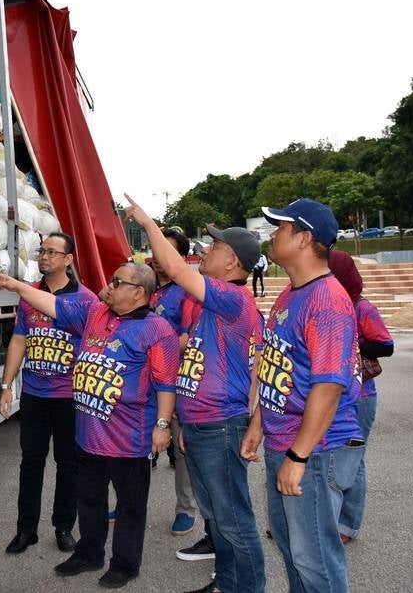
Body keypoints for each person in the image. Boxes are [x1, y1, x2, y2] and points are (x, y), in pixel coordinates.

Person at [0, 262, 179, 589]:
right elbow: (51, 304)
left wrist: (162, 425)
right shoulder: (95, 314)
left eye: (117, 281)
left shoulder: (157, 329)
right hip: (89, 434)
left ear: (138, 293)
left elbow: (165, 383)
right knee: (89, 500)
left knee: (130, 506)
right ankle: (88, 554)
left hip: (129, 438)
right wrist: (19, 287)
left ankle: (125, 564)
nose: (109, 285)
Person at [124, 196, 266, 593]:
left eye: (216, 247)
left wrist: (147, 222)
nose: (207, 250)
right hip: (205, 424)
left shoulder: (233, 297)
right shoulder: (213, 303)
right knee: (219, 517)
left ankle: (249, 588)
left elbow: (170, 266)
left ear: (233, 263)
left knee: (234, 518)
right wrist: (186, 419)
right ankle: (226, 581)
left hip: (221, 425)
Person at [241, 198, 365, 593]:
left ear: (305, 238)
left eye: (279, 228)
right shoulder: (291, 293)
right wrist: (259, 422)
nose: (271, 235)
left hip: (314, 448)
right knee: (293, 548)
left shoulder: (327, 301)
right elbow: (278, 366)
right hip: (286, 441)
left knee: (315, 559)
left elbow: (328, 387)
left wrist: (298, 456)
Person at [0, 232, 98, 555]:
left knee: (68, 463)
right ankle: (26, 529)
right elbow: (19, 340)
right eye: (42, 251)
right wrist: (6, 385)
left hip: (69, 396)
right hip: (35, 394)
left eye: (53, 252)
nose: (44, 257)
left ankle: (64, 526)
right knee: (31, 462)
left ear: (69, 260)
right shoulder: (29, 295)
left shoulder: (86, 300)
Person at [326, 250, 393, 544]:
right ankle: (321, 522)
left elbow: (385, 345)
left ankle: (347, 526)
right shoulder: (323, 303)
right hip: (329, 393)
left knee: (353, 459)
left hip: (359, 396)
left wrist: (350, 342)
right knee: (326, 458)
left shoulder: (361, 308)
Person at [148, 229, 199, 537]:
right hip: (140, 382)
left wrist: (148, 345)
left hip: (174, 381)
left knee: (181, 448)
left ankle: (185, 508)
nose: (158, 256)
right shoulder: (143, 287)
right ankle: (129, 503)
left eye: (167, 250)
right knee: (135, 443)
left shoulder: (187, 293)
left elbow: (188, 339)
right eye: (156, 248)